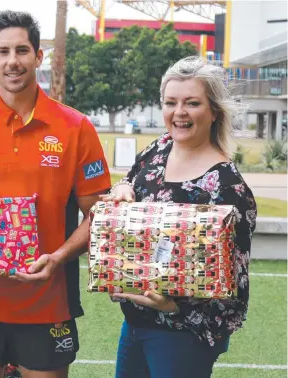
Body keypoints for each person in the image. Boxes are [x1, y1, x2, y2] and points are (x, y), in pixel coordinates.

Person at [0, 10, 112, 378]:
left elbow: (99, 215)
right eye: (3, 52)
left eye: (22, 50)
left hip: (46, 303)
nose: (13, 61)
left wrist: (58, 256)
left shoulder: (75, 127)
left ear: (38, 56)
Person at [106, 56, 257, 378]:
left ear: (213, 111)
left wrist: (174, 307)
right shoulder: (157, 150)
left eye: (192, 103)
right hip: (134, 323)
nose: (179, 113)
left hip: (182, 336)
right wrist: (121, 189)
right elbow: (129, 181)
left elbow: (235, 285)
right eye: (170, 102)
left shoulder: (228, 189)